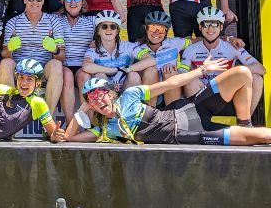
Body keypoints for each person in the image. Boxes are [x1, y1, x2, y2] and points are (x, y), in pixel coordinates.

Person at [64, 59, 271, 146]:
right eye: (92, 99)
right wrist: (82, 107)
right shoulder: (105, 129)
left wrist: (202, 70)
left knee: (243, 73)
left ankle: (245, 122)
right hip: (189, 133)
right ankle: (248, 130)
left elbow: (171, 83)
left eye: (100, 93)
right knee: (263, 136)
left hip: (192, 107)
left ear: (111, 93)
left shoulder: (130, 94)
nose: (98, 99)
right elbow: (69, 138)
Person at [135, 10, 247, 108]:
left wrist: (228, 38)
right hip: (150, 91)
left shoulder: (174, 43)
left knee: (171, 71)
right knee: (150, 71)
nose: (156, 32)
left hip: (171, 90)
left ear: (166, 32)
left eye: (161, 29)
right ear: (146, 29)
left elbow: (202, 39)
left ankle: (172, 114)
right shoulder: (136, 48)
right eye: (153, 28)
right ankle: (148, 114)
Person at [178, 6, 265, 118]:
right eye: (205, 24)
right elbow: (180, 75)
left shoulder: (233, 47)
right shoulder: (191, 49)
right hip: (201, 96)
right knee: (189, 80)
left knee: (257, 78)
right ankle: (197, 123)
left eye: (214, 24)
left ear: (221, 27)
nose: (210, 29)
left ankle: (245, 122)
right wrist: (199, 70)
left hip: (226, 95)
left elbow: (261, 68)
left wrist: (235, 71)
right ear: (200, 27)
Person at [0, 0, 69, 118]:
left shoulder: (54, 21)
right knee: (6, 63)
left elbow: (61, 56)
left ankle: (47, 118)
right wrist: (9, 48)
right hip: (20, 70)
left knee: (56, 64)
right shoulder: (12, 22)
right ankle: (9, 116)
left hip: (43, 71)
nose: (35, 2)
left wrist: (54, 50)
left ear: (43, 0)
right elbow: (4, 55)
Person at [81, 10, 156, 98]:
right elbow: (86, 66)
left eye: (113, 26)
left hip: (126, 87)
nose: (109, 29)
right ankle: (109, 108)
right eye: (104, 26)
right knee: (99, 75)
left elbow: (151, 60)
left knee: (134, 75)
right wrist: (114, 70)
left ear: (117, 31)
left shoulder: (128, 46)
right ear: (98, 31)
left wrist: (126, 69)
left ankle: (130, 109)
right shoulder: (93, 50)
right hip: (105, 92)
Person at [57, 0, 95, 106]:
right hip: (63, 65)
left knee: (84, 76)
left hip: (82, 66)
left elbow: (120, 18)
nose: (73, 2)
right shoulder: (54, 19)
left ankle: (86, 124)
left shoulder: (91, 21)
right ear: (63, 2)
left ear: (83, 2)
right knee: (66, 75)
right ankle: (69, 123)